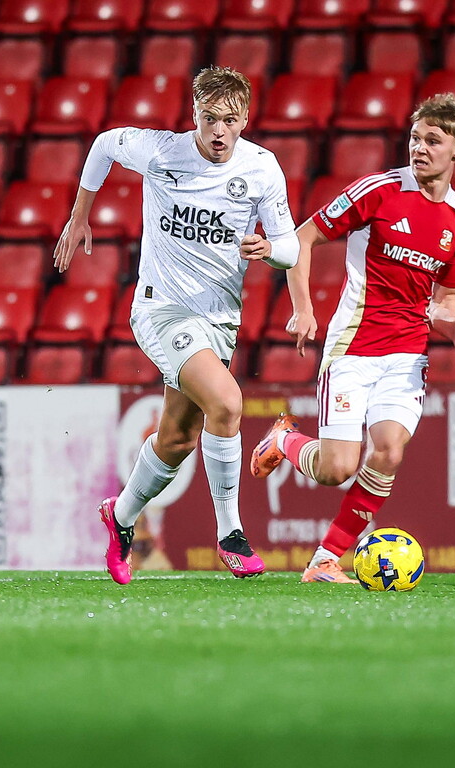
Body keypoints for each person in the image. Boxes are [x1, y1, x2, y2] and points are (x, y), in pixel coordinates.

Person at [54, 66, 298, 584]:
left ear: (245, 119)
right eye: (209, 118)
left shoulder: (261, 169)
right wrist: (80, 216)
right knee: (229, 403)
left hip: (218, 320)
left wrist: (271, 250)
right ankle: (231, 532)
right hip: (160, 310)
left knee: (178, 439)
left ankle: (119, 516)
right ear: (194, 116)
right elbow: (102, 145)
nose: (217, 131)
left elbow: (291, 245)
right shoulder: (162, 151)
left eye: (229, 120)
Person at [250, 93, 455, 584]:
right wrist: (304, 309)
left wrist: (453, 326)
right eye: (415, 138)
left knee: (389, 451)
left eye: (432, 141)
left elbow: (444, 301)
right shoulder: (378, 191)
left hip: (407, 354)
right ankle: (283, 439)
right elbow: (301, 238)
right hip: (354, 347)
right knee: (336, 469)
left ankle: (324, 559)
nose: (419, 148)